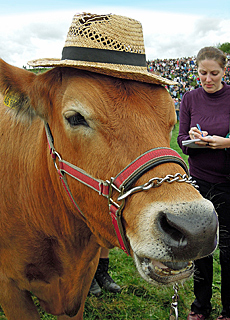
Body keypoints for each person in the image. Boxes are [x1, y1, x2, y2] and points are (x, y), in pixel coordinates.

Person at [177, 46, 230, 320]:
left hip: (228, 183)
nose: (207, 79)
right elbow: (180, 138)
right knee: (202, 249)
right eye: (202, 73)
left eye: (214, 73)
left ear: (224, 70)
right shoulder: (189, 98)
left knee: (229, 251)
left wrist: (225, 143)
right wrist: (193, 138)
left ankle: (229, 309)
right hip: (199, 182)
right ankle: (200, 307)